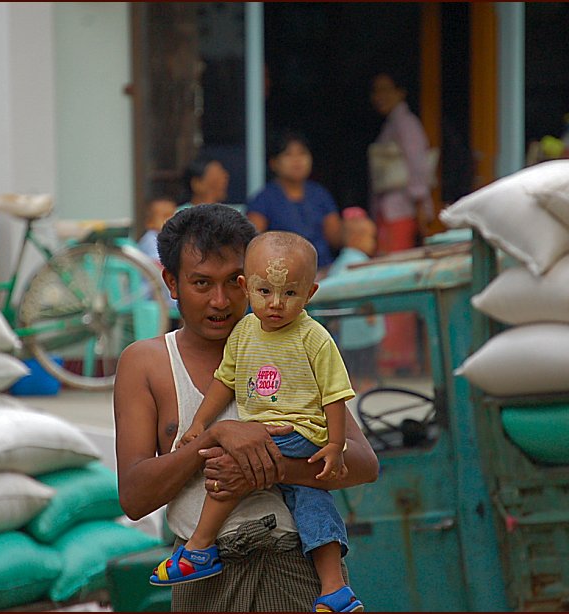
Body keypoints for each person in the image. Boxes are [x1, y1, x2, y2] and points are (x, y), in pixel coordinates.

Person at [114, 204, 379, 612]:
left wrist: (262, 470)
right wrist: (217, 437)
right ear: (171, 282)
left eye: (232, 284)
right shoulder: (146, 364)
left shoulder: (300, 344)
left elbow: (362, 463)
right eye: (201, 283)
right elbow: (134, 497)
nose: (220, 301)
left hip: (292, 563)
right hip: (203, 575)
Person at [368, 71, 433, 376]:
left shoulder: (406, 124)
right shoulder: (393, 124)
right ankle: (394, 356)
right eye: (375, 91)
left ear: (401, 92)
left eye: (385, 90)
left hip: (402, 212)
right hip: (391, 211)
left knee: (397, 279)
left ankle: (399, 359)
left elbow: (418, 168)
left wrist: (421, 206)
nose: (379, 97)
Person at [246, 131, 343, 275]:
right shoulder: (264, 199)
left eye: (302, 153)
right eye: (288, 154)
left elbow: (336, 238)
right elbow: (252, 246)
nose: (297, 160)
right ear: (274, 163)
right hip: (284, 276)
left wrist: (353, 228)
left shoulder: (319, 194)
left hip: (325, 272)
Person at [326, 208, 385, 393]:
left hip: (349, 326)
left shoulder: (340, 263)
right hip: (362, 323)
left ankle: (356, 382)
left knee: (353, 358)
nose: (373, 243)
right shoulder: (358, 263)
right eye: (371, 238)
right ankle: (364, 383)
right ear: (357, 238)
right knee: (364, 358)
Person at [138, 196, 178, 263]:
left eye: (174, 215)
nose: (172, 220)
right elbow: (158, 266)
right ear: (150, 223)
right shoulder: (150, 240)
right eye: (166, 216)